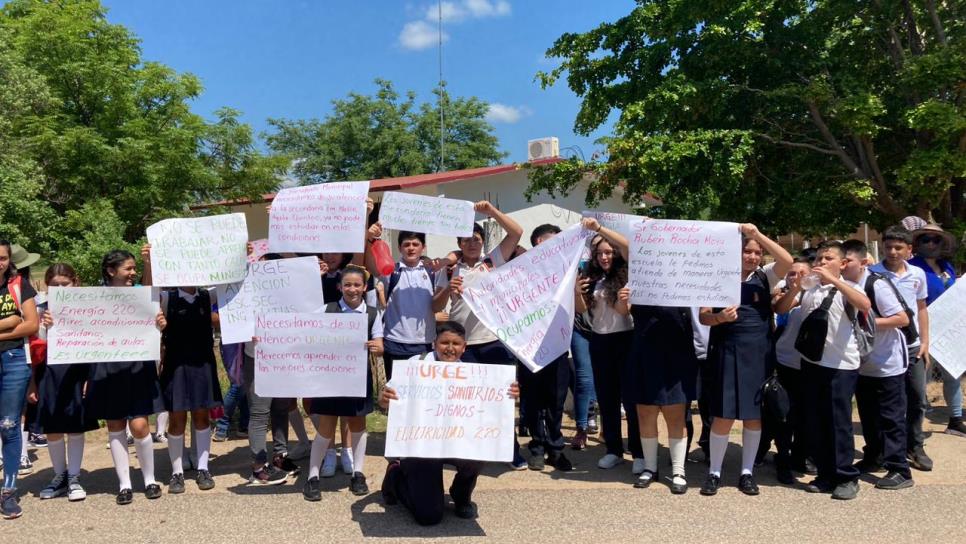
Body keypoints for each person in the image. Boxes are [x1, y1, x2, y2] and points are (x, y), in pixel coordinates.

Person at [378, 321, 520, 525]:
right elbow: (388, 403)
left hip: (455, 442)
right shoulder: (414, 366)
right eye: (445, 342)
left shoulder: (475, 376)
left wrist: (508, 395)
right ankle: (396, 476)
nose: (450, 348)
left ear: (465, 347)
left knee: (482, 450)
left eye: (456, 343)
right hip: (421, 447)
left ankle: (461, 495)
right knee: (429, 517)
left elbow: (489, 413)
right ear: (434, 343)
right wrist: (385, 399)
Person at [699, 225, 793, 496]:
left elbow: (787, 260)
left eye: (756, 252)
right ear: (735, 252)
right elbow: (704, 316)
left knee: (753, 417)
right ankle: (714, 472)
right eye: (746, 251)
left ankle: (746, 473)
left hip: (759, 354)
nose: (752, 256)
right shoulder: (716, 277)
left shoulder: (765, 276)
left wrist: (758, 234)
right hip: (726, 350)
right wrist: (720, 318)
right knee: (723, 415)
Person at [785, 241, 871, 500]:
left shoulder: (849, 287)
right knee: (816, 421)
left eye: (828, 258)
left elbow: (864, 304)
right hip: (812, 363)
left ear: (842, 264)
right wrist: (795, 288)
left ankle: (846, 477)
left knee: (838, 423)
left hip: (841, 366)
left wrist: (835, 281)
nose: (821, 262)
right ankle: (825, 475)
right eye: (819, 258)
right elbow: (783, 307)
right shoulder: (811, 288)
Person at [81, 248, 167, 505]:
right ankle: (124, 484)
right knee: (115, 424)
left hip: (137, 366)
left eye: (133, 269)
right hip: (106, 368)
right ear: (110, 271)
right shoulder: (93, 298)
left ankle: (150, 479)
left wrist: (159, 322)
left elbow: (150, 295)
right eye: (127, 269)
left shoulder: (140, 293)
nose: (132, 273)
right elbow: (76, 325)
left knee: (140, 425)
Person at [303, 265, 384, 500]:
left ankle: (358, 474)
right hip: (329, 380)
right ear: (339, 287)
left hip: (357, 379)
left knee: (358, 426)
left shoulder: (371, 313)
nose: (352, 289)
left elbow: (380, 346)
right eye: (347, 284)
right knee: (325, 429)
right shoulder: (326, 310)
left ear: (364, 287)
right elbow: (300, 329)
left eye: (357, 285)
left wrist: (377, 348)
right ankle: (312, 477)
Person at [842, 240, 915, 490]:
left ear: (863, 262)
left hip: (887, 362)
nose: (842, 265)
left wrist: (864, 323)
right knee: (868, 415)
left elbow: (902, 318)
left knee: (891, 417)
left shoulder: (876, 284)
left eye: (847, 261)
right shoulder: (845, 285)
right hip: (862, 364)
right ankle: (875, 456)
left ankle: (900, 469)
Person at [574, 219, 643, 473]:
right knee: (607, 398)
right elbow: (581, 310)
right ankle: (613, 449)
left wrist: (599, 229)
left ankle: (638, 452)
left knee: (631, 399)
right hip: (599, 341)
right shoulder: (592, 277)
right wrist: (575, 292)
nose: (604, 257)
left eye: (609, 252)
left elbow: (629, 246)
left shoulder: (626, 275)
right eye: (600, 253)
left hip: (625, 340)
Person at [868, 226, 932, 472]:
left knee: (917, 398)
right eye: (888, 247)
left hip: (913, 346)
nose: (893, 252)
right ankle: (881, 449)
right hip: (884, 348)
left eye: (898, 248)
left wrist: (925, 342)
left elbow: (921, 308)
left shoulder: (917, 274)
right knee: (882, 403)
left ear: (909, 250)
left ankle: (914, 445)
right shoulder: (872, 274)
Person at [34, 264, 99, 502]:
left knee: (74, 426)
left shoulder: (87, 309)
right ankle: (59, 475)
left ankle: (74, 477)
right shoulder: (41, 310)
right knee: (52, 427)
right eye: (55, 285)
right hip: (49, 373)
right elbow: (35, 346)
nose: (60, 289)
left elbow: (96, 343)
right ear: (47, 286)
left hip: (77, 373)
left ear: (75, 283)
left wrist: (90, 377)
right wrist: (45, 328)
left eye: (65, 284)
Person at [157, 276, 223, 494]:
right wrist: (149, 264)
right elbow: (147, 295)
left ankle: (204, 468)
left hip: (202, 365)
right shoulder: (167, 297)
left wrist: (241, 255)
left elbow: (232, 283)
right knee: (176, 419)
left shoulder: (207, 295)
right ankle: (177, 472)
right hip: (176, 366)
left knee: (202, 417)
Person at [517, 224, 572, 472]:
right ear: (539, 242)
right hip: (529, 346)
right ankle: (537, 446)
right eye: (553, 241)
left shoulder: (566, 270)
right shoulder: (521, 271)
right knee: (532, 398)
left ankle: (556, 447)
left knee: (556, 399)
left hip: (558, 345)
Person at [364, 230, 445, 381]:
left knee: (421, 393)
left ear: (423, 247)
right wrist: (369, 240)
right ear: (400, 248)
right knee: (395, 395)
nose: (411, 248)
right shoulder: (391, 271)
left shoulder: (433, 271)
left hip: (425, 343)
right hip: (394, 343)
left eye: (415, 244)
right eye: (406, 244)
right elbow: (370, 266)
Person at [907, 223, 964, 437]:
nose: (931, 243)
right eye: (925, 239)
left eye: (936, 240)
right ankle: (915, 427)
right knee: (921, 379)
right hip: (923, 331)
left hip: (948, 332)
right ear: (917, 243)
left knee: (953, 375)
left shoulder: (947, 267)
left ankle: (955, 420)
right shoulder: (912, 268)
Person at [765, 258, 816, 484]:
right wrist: (795, 289)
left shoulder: (821, 295)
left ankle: (801, 456)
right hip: (785, 364)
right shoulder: (788, 297)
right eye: (791, 273)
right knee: (784, 416)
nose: (795, 277)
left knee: (807, 416)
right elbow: (780, 309)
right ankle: (783, 459)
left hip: (812, 366)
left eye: (801, 273)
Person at [0, 240, 41, 519]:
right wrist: (9, 321)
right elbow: (17, 321)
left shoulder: (19, 285)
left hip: (13, 361)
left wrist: (13, 326)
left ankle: (9, 492)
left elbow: (31, 324)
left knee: (10, 425)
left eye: (2, 258)